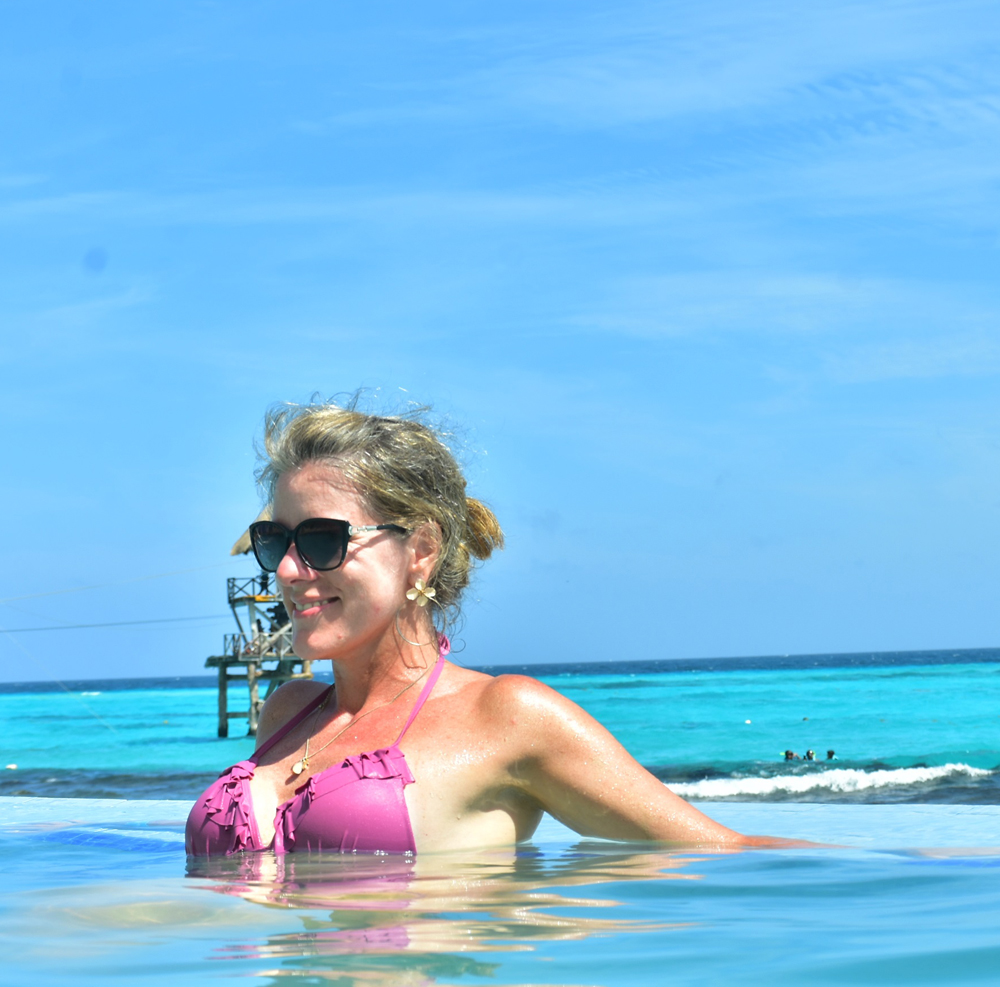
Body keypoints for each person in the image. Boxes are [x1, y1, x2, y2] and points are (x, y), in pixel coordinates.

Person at [187, 398, 784, 856]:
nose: (287, 570)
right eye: (275, 541)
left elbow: (721, 852)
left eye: (322, 539)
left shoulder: (506, 717)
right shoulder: (288, 712)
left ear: (421, 550)